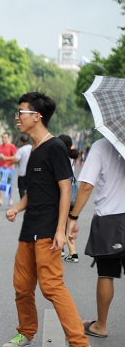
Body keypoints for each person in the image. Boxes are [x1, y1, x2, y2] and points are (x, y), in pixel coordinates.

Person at [3, 92, 89, 347]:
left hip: (48, 230)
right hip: (29, 228)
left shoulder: (55, 148)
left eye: (21, 112)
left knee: (51, 287)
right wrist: (17, 208)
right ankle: (26, 331)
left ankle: (79, 342)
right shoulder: (33, 150)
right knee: (21, 286)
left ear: (37, 117)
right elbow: (36, 189)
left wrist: (61, 230)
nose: (17, 117)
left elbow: (65, 189)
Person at [67, 137, 125, 339]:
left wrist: (73, 216)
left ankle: (101, 326)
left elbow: (86, 186)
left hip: (109, 219)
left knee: (106, 273)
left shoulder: (101, 146)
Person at [57, 134, 80, 263]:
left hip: (65, 196)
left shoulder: (61, 158)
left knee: (63, 223)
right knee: (69, 224)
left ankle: (69, 251)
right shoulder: (71, 158)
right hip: (73, 196)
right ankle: (68, 250)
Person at [5, 135, 32, 199]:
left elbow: (16, 159)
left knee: (22, 189)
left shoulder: (21, 150)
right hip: (31, 173)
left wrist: (8, 164)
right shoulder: (33, 148)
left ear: (21, 142)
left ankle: (23, 203)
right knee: (30, 189)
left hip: (22, 173)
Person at [0, 133, 17, 206]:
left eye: (5, 137)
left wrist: (6, 158)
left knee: (8, 184)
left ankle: (10, 199)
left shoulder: (11, 146)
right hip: (0, 167)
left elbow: (15, 157)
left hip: (8, 168)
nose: (3, 139)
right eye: (2, 137)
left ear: (8, 138)